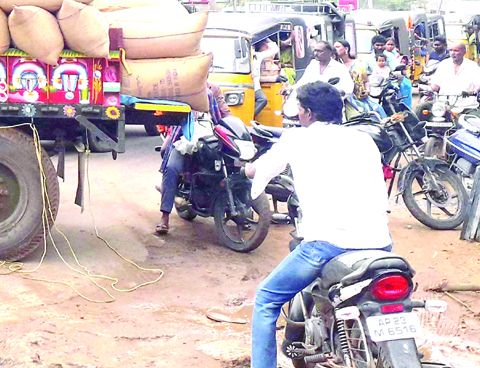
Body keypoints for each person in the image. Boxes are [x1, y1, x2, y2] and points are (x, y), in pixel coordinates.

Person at [245, 81, 393, 368]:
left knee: (266, 299)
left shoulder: (296, 139)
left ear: (308, 114)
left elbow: (261, 172)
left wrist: (249, 169)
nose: (297, 115)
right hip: (380, 243)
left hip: (327, 245)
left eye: (299, 109)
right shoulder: (364, 140)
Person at [154, 83, 233, 235]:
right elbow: (172, 119)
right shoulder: (181, 93)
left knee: (229, 164)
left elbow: (219, 118)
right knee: (171, 168)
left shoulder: (211, 93)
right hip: (182, 140)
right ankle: (165, 216)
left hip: (208, 140)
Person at [281, 41, 353, 117]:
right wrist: (289, 88)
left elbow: (348, 88)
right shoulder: (313, 65)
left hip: (331, 107)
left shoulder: (339, 67)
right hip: (312, 107)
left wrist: (336, 92)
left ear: (329, 53)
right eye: (315, 51)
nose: (316, 53)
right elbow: (302, 82)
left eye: (320, 51)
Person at [429, 41, 480, 109]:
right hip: (444, 105)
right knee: (422, 107)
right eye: (451, 50)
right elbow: (435, 84)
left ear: (464, 52)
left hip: (467, 106)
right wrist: (430, 89)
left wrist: (474, 91)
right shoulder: (443, 64)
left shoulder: (472, 66)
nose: (452, 53)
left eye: (456, 51)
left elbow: (479, 84)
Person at [252, 40, 278, 118]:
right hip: (243, 83)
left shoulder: (258, 56)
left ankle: (249, 117)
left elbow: (275, 49)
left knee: (263, 99)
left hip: (255, 87)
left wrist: (266, 39)